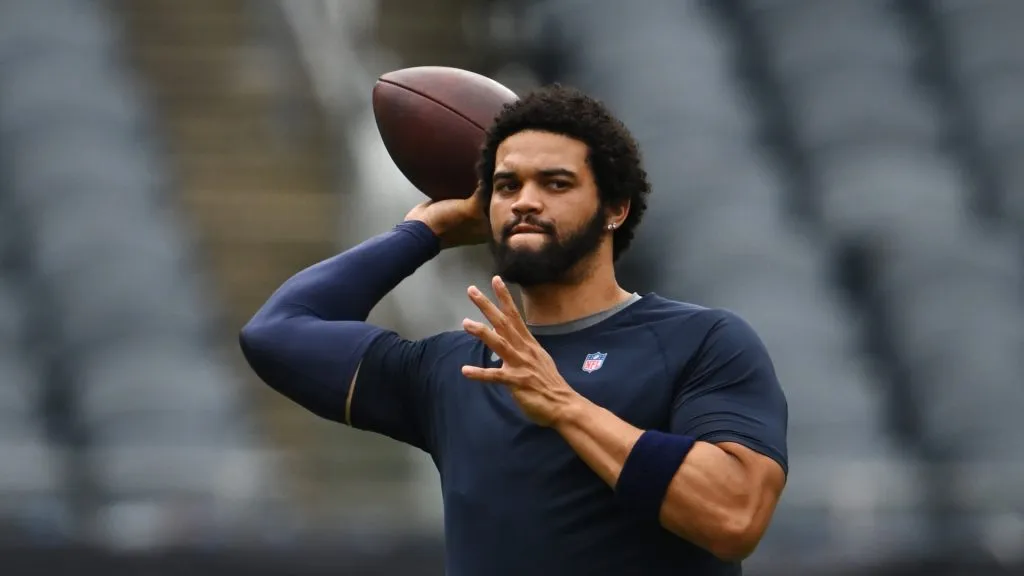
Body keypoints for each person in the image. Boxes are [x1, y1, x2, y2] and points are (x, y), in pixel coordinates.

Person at [239, 85, 788, 575]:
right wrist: (423, 231)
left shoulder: (700, 340)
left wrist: (566, 406)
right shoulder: (458, 370)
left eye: (555, 183)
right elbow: (278, 331)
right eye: (506, 186)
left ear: (615, 208)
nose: (525, 200)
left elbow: (735, 515)